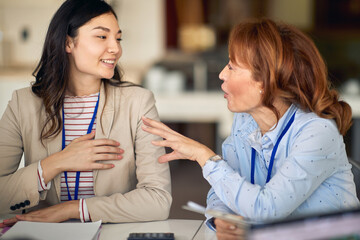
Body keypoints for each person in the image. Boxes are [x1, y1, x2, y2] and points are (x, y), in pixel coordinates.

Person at [142, 18, 360, 239]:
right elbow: (222, 190)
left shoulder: (317, 132)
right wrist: (223, 218)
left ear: (264, 81)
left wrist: (204, 156)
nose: (222, 74)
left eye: (232, 67)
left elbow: (267, 209)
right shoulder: (245, 121)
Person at [0, 0, 171, 226]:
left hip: (111, 233)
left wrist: (73, 209)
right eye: (102, 37)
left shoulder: (138, 102)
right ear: (68, 42)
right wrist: (58, 162)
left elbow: (158, 199)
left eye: (118, 38)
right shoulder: (23, 104)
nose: (116, 48)